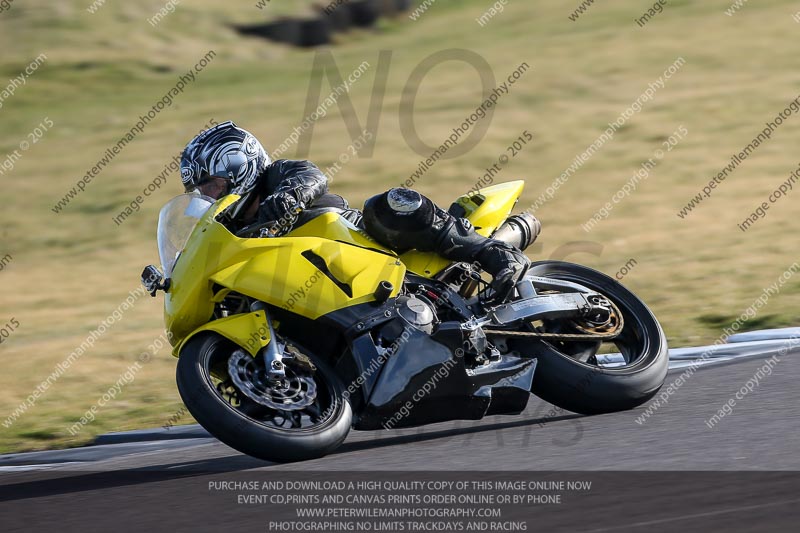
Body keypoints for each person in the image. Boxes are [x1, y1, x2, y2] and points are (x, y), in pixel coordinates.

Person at [179, 121, 530, 295]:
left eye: (210, 184)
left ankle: (496, 253)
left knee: (386, 205)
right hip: (328, 289)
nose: (207, 196)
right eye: (200, 191)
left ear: (238, 167)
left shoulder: (278, 175)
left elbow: (310, 177)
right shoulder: (234, 229)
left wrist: (286, 200)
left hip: (369, 244)